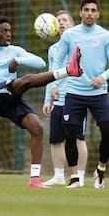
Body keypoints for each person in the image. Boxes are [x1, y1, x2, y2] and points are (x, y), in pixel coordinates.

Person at [0, 15, 83, 189]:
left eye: (10, 31)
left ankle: (34, 180)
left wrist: (18, 60)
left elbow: (40, 62)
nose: (8, 34)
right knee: (25, 80)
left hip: (11, 96)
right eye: (4, 31)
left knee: (37, 128)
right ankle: (69, 70)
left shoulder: (15, 50)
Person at [53, 0, 109, 189]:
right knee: (70, 134)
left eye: (93, 10)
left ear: (98, 14)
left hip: (99, 93)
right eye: (86, 10)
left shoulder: (104, 35)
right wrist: (53, 86)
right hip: (74, 93)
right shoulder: (70, 35)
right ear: (80, 12)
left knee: (107, 131)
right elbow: (58, 61)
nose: (89, 13)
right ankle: (75, 178)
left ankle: (101, 169)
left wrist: (103, 77)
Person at [42, 10, 88, 186]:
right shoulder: (53, 49)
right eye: (58, 20)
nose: (61, 23)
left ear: (72, 24)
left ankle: (80, 175)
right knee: (55, 139)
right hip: (58, 100)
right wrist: (47, 100)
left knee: (78, 138)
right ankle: (59, 175)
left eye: (64, 20)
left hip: (76, 98)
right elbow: (50, 75)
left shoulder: (80, 45)